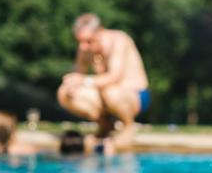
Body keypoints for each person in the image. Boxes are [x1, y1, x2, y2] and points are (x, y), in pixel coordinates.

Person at [55, 13, 150, 155]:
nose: (83, 46)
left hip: (135, 96)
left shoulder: (119, 40)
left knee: (109, 91)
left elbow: (114, 77)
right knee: (64, 93)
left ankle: (129, 127)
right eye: (80, 42)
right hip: (105, 96)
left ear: (99, 32)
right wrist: (71, 86)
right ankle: (105, 125)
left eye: (88, 41)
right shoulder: (84, 48)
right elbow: (78, 75)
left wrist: (83, 80)